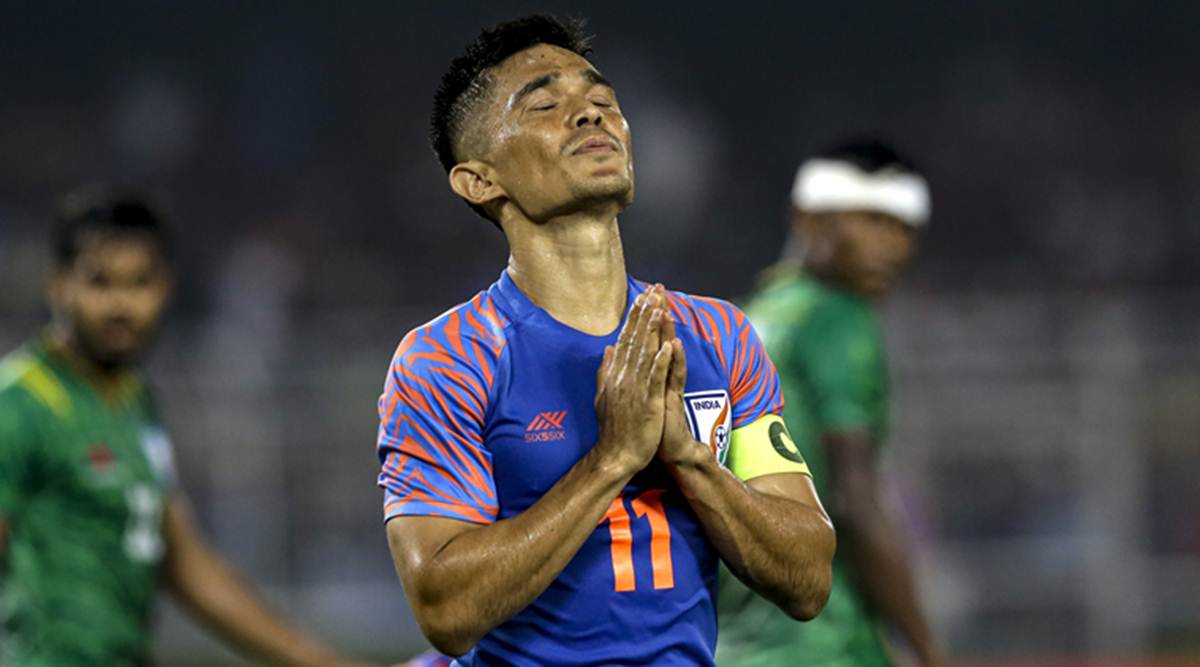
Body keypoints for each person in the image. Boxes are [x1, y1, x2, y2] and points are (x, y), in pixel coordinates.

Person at [377, 14, 836, 667]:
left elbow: (809, 577)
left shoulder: (719, 335)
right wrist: (611, 459)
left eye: (603, 101)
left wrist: (688, 458)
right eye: (544, 106)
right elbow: (445, 611)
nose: (591, 114)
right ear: (480, 180)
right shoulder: (448, 359)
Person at [0, 185, 373, 666]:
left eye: (140, 282)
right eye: (99, 282)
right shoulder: (19, 407)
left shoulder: (133, 402)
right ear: (57, 285)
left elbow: (186, 564)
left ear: (166, 288)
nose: (121, 305)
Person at [716, 139, 943, 667]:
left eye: (905, 229)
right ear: (808, 218)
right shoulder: (839, 319)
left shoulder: (749, 319)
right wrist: (927, 648)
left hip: (738, 642)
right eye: (871, 220)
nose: (892, 245)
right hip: (825, 640)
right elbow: (854, 500)